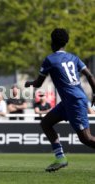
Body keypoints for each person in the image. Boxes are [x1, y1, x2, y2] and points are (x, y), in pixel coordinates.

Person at [25, 28, 95, 172]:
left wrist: (29, 83)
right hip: (69, 102)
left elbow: (38, 84)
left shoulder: (50, 59)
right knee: (46, 123)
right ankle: (60, 158)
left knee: (86, 138)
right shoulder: (74, 58)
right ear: (65, 43)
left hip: (74, 102)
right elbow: (89, 75)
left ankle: (60, 158)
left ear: (52, 42)